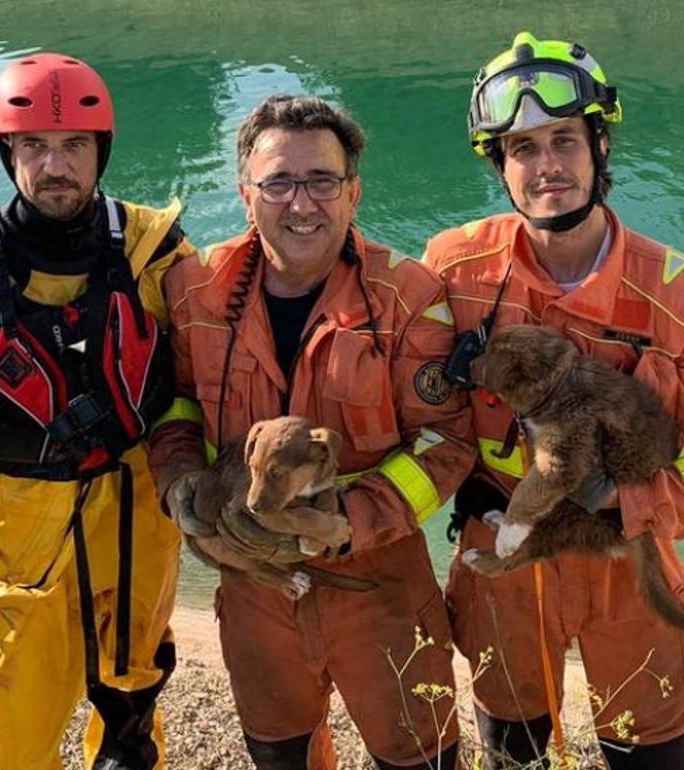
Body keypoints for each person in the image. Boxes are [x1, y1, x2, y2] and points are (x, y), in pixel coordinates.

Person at [423, 32, 684, 770]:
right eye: (521, 148)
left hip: (631, 567)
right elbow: (419, 413)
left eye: (564, 140)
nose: (546, 164)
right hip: (503, 558)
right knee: (511, 750)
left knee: (645, 754)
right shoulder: (452, 268)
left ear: (600, 147)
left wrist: (625, 503)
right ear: (500, 165)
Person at [0, 52, 196, 770]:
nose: (56, 167)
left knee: (133, 729)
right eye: (34, 148)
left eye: (75, 146)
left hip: (142, 526)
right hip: (29, 536)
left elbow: (208, 376)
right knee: (22, 732)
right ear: (7, 154)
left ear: (101, 152)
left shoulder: (155, 250)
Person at [148, 95, 475, 770]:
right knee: (278, 754)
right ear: (246, 195)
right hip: (252, 583)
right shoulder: (195, 290)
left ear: (352, 193)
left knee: (421, 758)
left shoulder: (407, 297)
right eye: (279, 183)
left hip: (379, 586)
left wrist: (349, 521)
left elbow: (448, 440)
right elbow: (174, 401)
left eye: (322, 182)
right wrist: (180, 486)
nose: (302, 204)